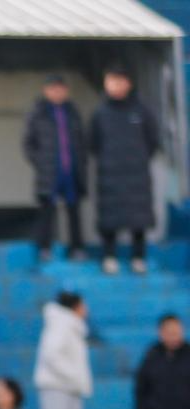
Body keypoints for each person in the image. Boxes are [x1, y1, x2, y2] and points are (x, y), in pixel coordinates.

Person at [89, 66, 160, 275]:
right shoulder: (100, 113)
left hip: (137, 175)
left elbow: (153, 141)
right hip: (109, 175)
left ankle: (138, 258)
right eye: (111, 81)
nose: (116, 86)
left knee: (139, 218)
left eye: (120, 81)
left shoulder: (142, 111)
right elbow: (93, 143)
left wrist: (137, 160)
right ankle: (109, 257)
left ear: (128, 83)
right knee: (109, 218)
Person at [23, 75, 88, 263]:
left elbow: (82, 142)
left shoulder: (73, 112)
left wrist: (80, 162)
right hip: (49, 172)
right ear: (45, 91)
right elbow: (27, 144)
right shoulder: (38, 113)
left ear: (66, 91)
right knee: (47, 212)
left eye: (60, 88)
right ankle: (44, 248)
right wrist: (41, 163)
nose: (57, 92)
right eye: (53, 88)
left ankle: (77, 248)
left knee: (74, 211)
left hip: (71, 171)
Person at [33, 291, 92, 409]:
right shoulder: (61, 324)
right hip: (56, 387)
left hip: (72, 388)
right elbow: (51, 355)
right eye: (83, 305)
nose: (87, 309)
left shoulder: (73, 326)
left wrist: (76, 380)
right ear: (75, 307)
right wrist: (73, 375)